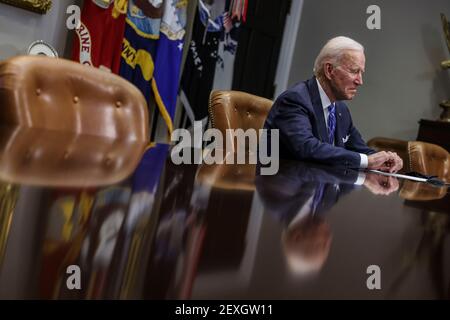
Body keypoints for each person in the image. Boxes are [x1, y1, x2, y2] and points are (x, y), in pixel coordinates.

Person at [264, 36, 403, 172]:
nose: (360, 81)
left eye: (361, 73)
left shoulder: (340, 109)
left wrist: (385, 159)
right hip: (283, 186)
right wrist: (367, 161)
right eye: (354, 71)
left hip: (320, 186)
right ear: (329, 70)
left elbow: (359, 149)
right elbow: (307, 147)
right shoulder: (295, 100)